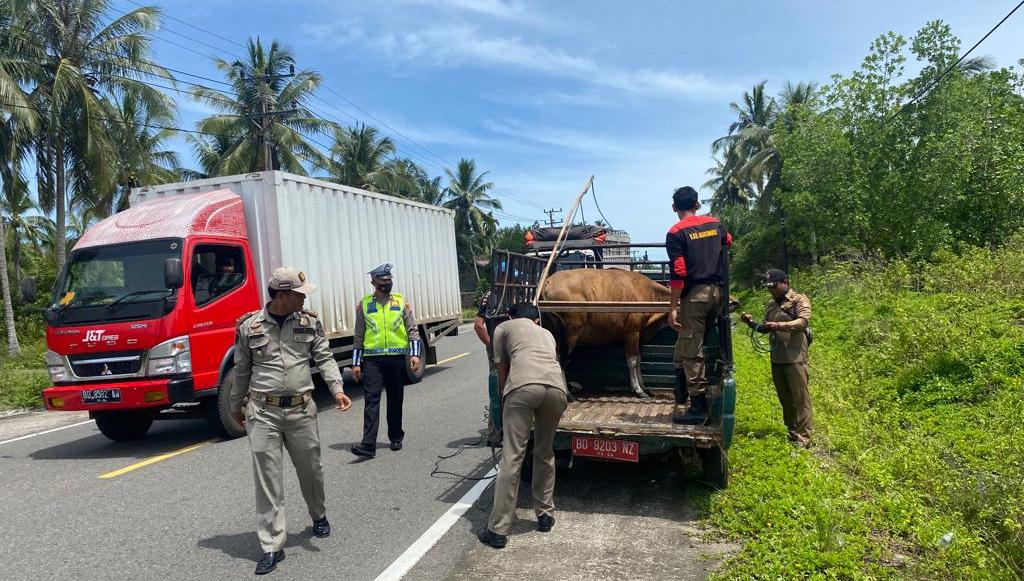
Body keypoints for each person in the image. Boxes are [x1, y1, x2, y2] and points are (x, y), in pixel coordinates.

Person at [230, 266, 353, 576]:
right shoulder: (249, 327)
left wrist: (337, 389)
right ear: (282, 295)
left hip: (301, 410)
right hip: (263, 411)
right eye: (299, 294)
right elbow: (241, 369)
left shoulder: (310, 322)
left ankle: (318, 514)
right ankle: (272, 545)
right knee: (268, 480)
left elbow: (323, 357)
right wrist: (235, 406)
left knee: (311, 469)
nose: (304, 298)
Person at [478, 302, 569, 550]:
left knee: (513, 457)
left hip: (523, 388)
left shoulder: (503, 328)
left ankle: (498, 529)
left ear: (510, 315)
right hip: (557, 391)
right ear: (536, 321)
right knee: (544, 452)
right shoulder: (547, 333)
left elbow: (502, 369)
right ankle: (545, 516)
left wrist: (504, 400)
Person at [665, 186, 731, 425]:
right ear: (697, 204)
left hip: (695, 296)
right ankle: (681, 393)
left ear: (675, 207)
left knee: (692, 349)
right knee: (687, 341)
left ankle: (698, 408)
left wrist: (673, 307)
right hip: (719, 294)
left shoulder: (675, 233)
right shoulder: (716, 223)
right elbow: (728, 242)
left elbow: (679, 271)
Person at [350, 262, 422, 458]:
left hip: (397, 358)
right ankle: (368, 445)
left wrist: (414, 354)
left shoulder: (400, 302)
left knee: (395, 399)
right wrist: (356, 363)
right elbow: (358, 336)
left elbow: (412, 330)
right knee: (371, 400)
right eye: (382, 280)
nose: (387, 283)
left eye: (389, 280)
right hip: (372, 360)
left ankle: (396, 436)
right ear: (373, 282)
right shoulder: (364, 304)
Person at [741, 269, 813, 447]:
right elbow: (766, 328)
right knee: (785, 398)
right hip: (777, 357)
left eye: (774, 286)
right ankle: (792, 430)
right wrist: (750, 323)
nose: (771, 290)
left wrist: (780, 325)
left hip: (795, 357)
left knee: (800, 399)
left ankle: (805, 438)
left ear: (785, 282)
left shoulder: (798, 300)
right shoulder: (771, 305)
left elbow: (803, 321)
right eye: (768, 287)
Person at [474, 290, 505, 447]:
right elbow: (478, 326)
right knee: (500, 390)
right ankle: (496, 434)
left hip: (502, 348)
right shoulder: (492, 295)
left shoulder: (492, 293)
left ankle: (497, 433)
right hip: (507, 348)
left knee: (499, 390)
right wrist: (493, 346)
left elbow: (479, 325)